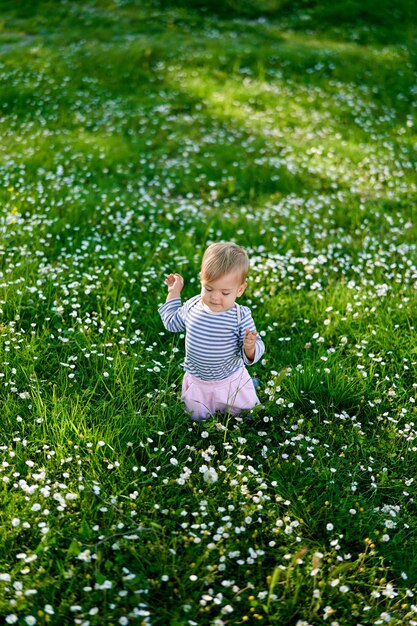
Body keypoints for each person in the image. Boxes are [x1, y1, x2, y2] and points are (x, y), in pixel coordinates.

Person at [158, 242, 265, 420]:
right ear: (202, 279)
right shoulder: (193, 306)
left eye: (225, 293)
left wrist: (250, 347)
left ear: (240, 290)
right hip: (198, 381)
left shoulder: (240, 316)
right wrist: (174, 292)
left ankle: (249, 387)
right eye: (208, 289)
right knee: (195, 419)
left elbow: (255, 349)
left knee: (248, 416)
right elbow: (171, 323)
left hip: (230, 380)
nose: (215, 297)